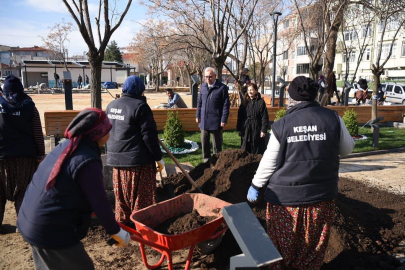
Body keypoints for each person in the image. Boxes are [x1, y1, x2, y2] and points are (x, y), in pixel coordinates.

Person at [246, 76, 355, 270]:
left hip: (286, 203)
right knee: (311, 252)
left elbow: (269, 162)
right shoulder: (333, 119)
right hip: (321, 200)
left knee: (281, 251)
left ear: (291, 98)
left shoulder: (282, 125)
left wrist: (255, 185)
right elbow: (347, 149)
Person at [17, 108, 130, 270]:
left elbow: (71, 188)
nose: (110, 131)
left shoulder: (67, 147)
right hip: (49, 230)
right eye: (108, 128)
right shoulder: (87, 160)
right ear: (99, 133)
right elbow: (100, 201)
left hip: (31, 219)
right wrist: (115, 230)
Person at [106, 76, 164, 224]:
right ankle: (142, 228)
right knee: (140, 199)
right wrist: (158, 157)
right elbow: (149, 136)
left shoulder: (111, 106)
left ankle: (123, 227)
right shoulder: (140, 107)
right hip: (137, 163)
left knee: (122, 198)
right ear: (140, 91)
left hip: (116, 161)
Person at [0, 75, 45, 233]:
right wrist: (41, 154)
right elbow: (37, 132)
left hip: (1, 157)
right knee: (23, 192)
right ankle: (23, 225)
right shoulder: (29, 105)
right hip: (25, 157)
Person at [196, 67, 230, 163]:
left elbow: (226, 105)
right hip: (204, 121)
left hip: (216, 121)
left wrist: (223, 120)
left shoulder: (222, 88)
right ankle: (206, 162)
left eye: (210, 77)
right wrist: (197, 115)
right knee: (204, 143)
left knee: (217, 145)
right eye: (206, 77)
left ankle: (217, 162)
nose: (208, 79)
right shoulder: (203, 87)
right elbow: (199, 102)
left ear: (215, 76)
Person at [236, 83, 269, 154]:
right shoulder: (244, 102)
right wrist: (239, 129)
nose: (250, 92)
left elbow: (264, 117)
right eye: (248, 90)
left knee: (256, 147)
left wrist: (263, 130)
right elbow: (240, 116)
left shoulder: (261, 102)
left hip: (257, 127)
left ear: (256, 91)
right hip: (246, 127)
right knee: (245, 147)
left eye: (252, 90)